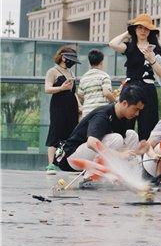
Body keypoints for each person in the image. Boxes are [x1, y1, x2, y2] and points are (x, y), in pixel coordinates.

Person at [54, 84, 148, 172]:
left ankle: (126, 174)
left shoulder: (124, 117)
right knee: (116, 139)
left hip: (89, 155)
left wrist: (136, 152)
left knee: (132, 135)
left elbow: (122, 149)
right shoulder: (102, 115)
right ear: (124, 103)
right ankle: (90, 177)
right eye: (136, 109)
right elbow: (91, 143)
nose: (137, 114)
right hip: (71, 158)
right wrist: (119, 155)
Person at [109, 13, 161, 140]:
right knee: (124, 124)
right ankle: (124, 154)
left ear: (150, 31)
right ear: (135, 29)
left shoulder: (155, 50)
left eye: (146, 28)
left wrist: (152, 60)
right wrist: (127, 33)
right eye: (139, 27)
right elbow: (112, 43)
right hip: (131, 89)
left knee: (147, 126)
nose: (143, 31)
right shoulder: (129, 47)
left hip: (148, 89)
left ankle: (144, 156)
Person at [44, 46, 81, 174]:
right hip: (58, 106)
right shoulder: (52, 71)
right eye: (70, 59)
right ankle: (50, 165)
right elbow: (47, 89)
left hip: (72, 106)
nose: (72, 63)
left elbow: (73, 92)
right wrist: (61, 88)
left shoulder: (71, 73)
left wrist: (79, 106)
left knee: (71, 134)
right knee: (55, 133)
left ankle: (67, 163)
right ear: (63, 57)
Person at [77, 49, 115, 118]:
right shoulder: (104, 76)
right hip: (100, 113)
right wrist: (115, 101)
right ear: (101, 62)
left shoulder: (84, 78)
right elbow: (106, 93)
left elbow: (80, 95)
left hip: (87, 113)